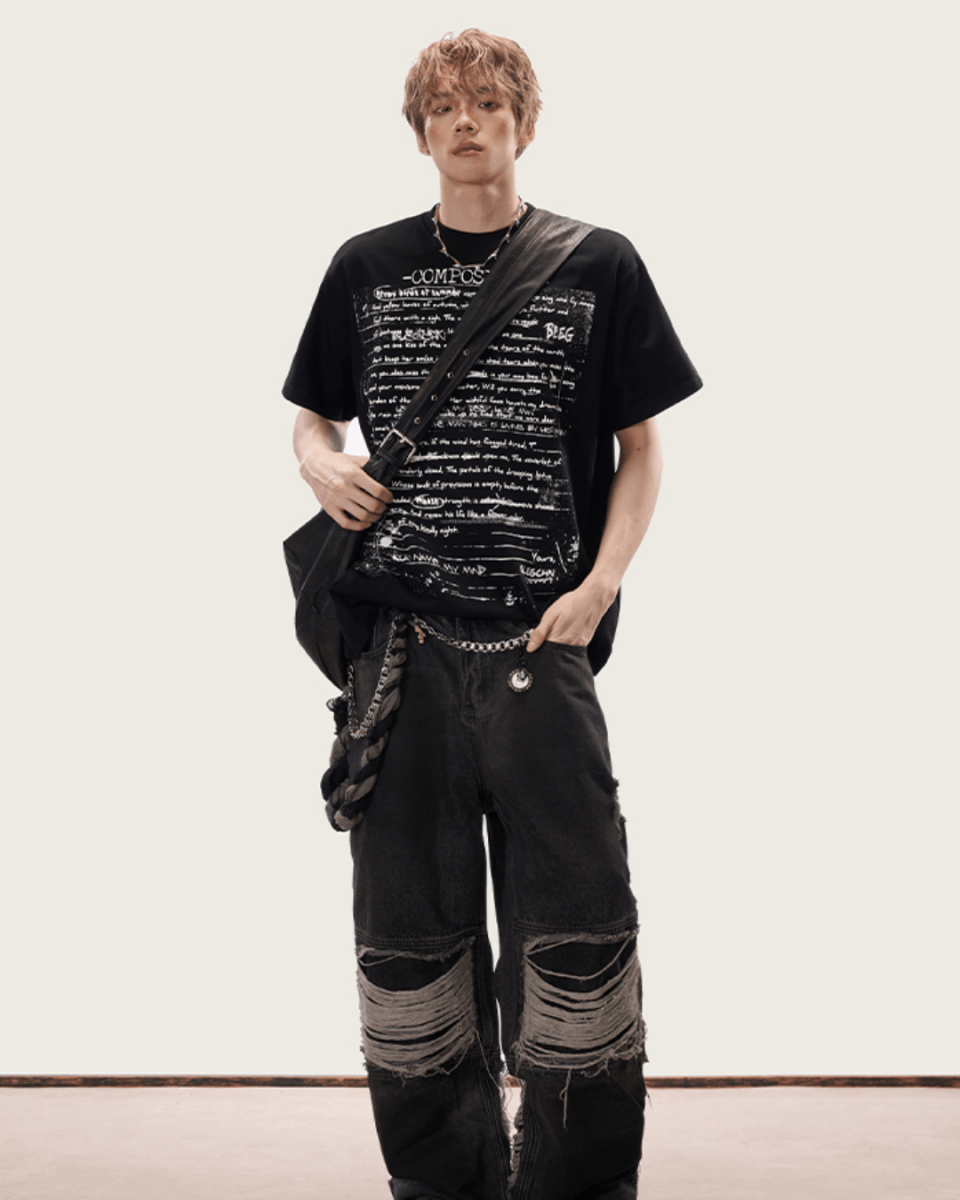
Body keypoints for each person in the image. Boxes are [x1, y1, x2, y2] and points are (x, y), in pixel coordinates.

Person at [282, 28, 702, 1200]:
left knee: (578, 930)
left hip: (540, 643)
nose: (465, 123)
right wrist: (318, 464)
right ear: (420, 130)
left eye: (487, 103)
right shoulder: (365, 267)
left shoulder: (599, 263)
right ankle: (441, 1185)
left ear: (525, 120)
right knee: (410, 942)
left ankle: (577, 1185)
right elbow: (311, 417)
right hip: (400, 653)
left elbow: (641, 445)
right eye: (444, 107)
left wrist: (600, 584)